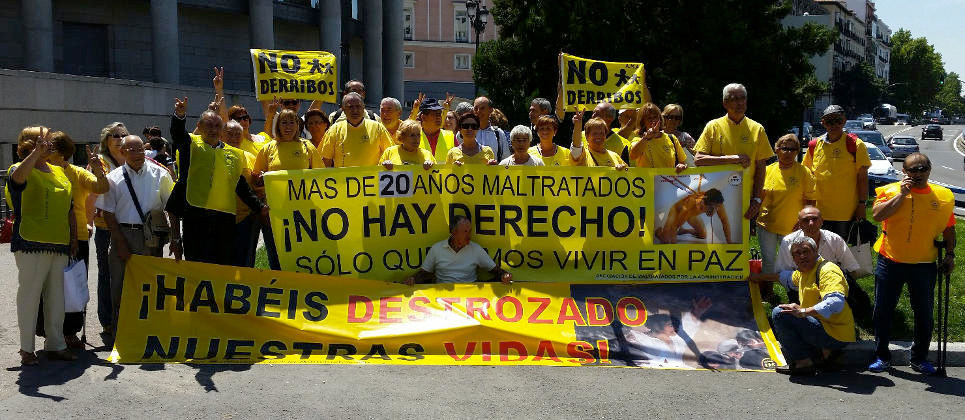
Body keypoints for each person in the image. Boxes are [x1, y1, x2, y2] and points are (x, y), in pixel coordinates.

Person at [868, 153, 955, 374]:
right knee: (883, 311)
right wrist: (901, 195)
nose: (918, 173)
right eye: (912, 170)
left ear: (929, 169)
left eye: (922, 169)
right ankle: (882, 356)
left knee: (924, 313)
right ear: (904, 171)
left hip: (924, 264)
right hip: (890, 260)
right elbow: (877, 215)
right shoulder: (889, 191)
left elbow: (949, 228)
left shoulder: (944, 196)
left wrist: (950, 254)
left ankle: (919, 358)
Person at [7, 126, 78, 365]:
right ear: (29, 143)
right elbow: (17, 181)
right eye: (42, 140)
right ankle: (26, 349)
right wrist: (35, 155)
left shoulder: (59, 171)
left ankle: (56, 344)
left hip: (59, 243)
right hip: (31, 243)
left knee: (57, 298)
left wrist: (73, 238)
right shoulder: (20, 168)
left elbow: (68, 207)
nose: (48, 143)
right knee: (29, 296)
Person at [168, 97, 267, 265]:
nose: (213, 130)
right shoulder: (191, 144)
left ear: (222, 129)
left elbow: (240, 186)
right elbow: (178, 134)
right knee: (197, 266)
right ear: (199, 127)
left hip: (224, 220)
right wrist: (179, 115)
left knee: (222, 266)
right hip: (196, 217)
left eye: (217, 126)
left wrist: (260, 208)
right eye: (209, 125)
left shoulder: (235, 154)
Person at [97, 135, 174, 327]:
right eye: (131, 150)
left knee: (151, 285)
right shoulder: (113, 178)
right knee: (120, 287)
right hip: (123, 235)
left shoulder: (160, 175)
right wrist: (120, 243)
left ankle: (150, 330)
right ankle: (120, 332)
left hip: (151, 237)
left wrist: (176, 238)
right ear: (122, 153)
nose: (137, 153)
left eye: (140, 149)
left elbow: (171, 208)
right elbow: (108, 214)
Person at [45, 131, 108, 348]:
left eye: (51, 147)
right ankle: (51, 331)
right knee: (51, 288)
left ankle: (70, 332)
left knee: (74, 287)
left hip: (78, 235)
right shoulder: (41, 171)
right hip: (49, 237)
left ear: (62, 153)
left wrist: (98, 170)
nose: (46, 149)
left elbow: (101, 188)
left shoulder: (78, 172)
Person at [762, 236, 855, 376]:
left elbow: (836, 301)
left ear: (815, 251)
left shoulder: (828, 270)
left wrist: (804, 311)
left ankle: (804, 362)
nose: (802, 256)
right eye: (797, 254)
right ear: (793, 259)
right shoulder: (803, 272)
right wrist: (753, 278)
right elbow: (784, 277)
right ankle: (826, 354)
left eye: (806, 251)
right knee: (787, 311)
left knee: (779, 313)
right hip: (826, 327)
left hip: (836, 334)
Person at [694, 83, 774, 220]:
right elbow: (699, 160)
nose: (739, 102)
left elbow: (761, 167)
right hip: (713, 198)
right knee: (715, 238)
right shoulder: (713, 126)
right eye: (734, 99)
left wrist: (757, 199)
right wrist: (734, 158)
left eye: (742, 98)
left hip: (745, 198)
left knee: (741, 240)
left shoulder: (757, 129)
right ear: (725, 103)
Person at [803, 105, 871, 239]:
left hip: (845, 213)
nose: (834, 125)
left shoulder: (856, 144)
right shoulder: (814, 145)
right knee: (818, 252)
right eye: (829, 121)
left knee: (840, 253)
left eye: (838, 120)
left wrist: (862, 204)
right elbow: (807, 176)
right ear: (823, 123)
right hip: (819, 212)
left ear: (844, 121)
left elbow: (862, 178)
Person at [756, 134, 818, 275]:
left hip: (793, 226)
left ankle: (795, 290)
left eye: (793, 149)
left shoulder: (804, 172)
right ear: (777, 149)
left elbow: (810, 200)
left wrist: (803, 221)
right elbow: (758, 197)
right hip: (767, 225)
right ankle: (769, 292)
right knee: (768, 261)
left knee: (794, 261)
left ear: (797, 151)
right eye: (785, 148)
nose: (788, 152)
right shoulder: (766, 170)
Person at [90, 122, 128, 334]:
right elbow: (93, 192)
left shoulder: (132, 159)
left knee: (126, 274)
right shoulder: (100, 161)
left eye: (123, 134)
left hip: (129, 225)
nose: (120, 138)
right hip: (105, 226)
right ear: (106, 140)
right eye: (114, 135)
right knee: (107, 274)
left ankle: (127, 316)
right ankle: (108, 321)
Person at [405, 215, 512, 285]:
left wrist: (504, 275)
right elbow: (424, 274)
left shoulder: (475, 249)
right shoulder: (437, 249)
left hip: (470, 298)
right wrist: (413, 279)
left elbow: (495, 270)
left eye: (470, 231)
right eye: (465, 231)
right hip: (442, 298)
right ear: (453, 232)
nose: (469, 235)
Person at [622, 298, 711, 368]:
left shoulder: (677, 340)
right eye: (670, 325)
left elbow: (689, 326)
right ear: (656, 325)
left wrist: (697, 312)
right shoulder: (641, 338)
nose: (673, 327)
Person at [316, 93, 392, 168]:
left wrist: (388, 163)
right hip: (343, 179)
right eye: (350, 107)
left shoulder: (378, 128)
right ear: (343, 109)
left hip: (372, 179)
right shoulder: (335, 129)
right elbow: (325, 161)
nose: (355, 110)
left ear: (363, 107)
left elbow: (391, 153)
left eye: (358, 106)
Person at [223, 120, 260, 268]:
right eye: (229, 134)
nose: (234, 138)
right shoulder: (215, 154)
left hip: (245, 219)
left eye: (237, 134)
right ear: (221, 136)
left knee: (245, 260)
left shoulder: (250, 156)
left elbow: (254, 185)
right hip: (221, 217)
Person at [656, 188, 733, 244]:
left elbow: (724, 221)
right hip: (677, 211)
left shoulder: (717, 204)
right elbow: (675, 226)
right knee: (666, 241)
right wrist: (672, 235)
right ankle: (659, 232)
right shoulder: (691, 202)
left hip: (692, 215)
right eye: (701, 206)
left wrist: (729, 241)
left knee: (703, 235)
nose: (714, 211)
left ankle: (684, 231)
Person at [627, 102, 687, 172]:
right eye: (649, 118)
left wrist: (682, 166)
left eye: (655, 117)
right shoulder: (637, 139)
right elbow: (633, 156)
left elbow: (683, 162)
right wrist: (646, 138)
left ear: (660, 119)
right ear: (643, 122)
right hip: (648, 182)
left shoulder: (672, 138)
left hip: (669, 182)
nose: (653, 120)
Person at [417, 97, 457, 163]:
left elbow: (459, 158)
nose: (438, 117)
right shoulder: (413, 137)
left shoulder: (450, 136)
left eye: (439, 114)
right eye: (434, 114)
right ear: (423, 117)